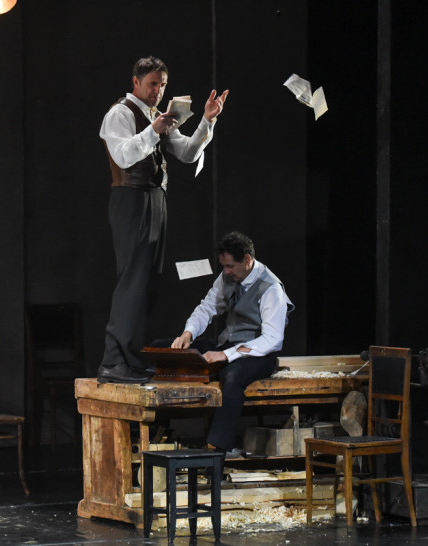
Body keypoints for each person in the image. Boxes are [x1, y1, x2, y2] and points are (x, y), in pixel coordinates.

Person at [97, 56, 229, 384]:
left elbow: (187, 153)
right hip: (131, 198)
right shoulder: (120, 113)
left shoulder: (155, 115)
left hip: (155, 198)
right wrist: (153, 131)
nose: (158, 90)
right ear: (136, 82)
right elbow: (123, 155)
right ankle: (113, 362)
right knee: (132, 281)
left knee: (148, 284)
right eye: (153, 84)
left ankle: (129, 360)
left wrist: (207, 121)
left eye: (163, 84)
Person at [171, 231, 294, 453]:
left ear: (247, 260)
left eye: (230, 266)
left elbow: (273, 339)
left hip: (257, 354)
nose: (226, 271)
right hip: (228, 346)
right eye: (224, 266)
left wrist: (225, 355)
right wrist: (188, 334)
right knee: (173, 350)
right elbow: (208, 307)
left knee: (233, 377)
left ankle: (216, 451)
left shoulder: (270, 287)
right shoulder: (228, 276)